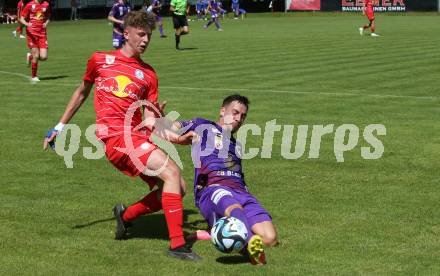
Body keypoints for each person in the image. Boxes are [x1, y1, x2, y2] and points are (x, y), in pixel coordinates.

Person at [43, 11, 202, 261]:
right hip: (116, 138)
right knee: (171, 173)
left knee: (177, 188)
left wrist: (177, 135)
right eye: (141, 34)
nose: (146, 40)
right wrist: (59, 127)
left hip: (137, 137)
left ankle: (125, 216)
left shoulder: (149, 74)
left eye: (148, 35)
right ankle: (177, 245)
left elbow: (150, 120)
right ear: (125, 33)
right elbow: (82, 92)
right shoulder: (99, 60)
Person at [176, 95, 278, 265]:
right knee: (231, 205)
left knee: (270, 239)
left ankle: (215, 231)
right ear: (223, 111)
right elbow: (175, 127)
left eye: (243, 116)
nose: (238, 119)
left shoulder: (236, 145)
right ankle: (249, 242)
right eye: (235, 113)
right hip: (212, 189)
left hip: (241, 192)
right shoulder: (203, 126)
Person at [20, 0, 51, 82]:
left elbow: (48, 16)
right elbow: (21, 18)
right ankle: (34, 76)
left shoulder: (46, 4)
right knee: (36, 55)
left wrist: (46, 23)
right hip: (31, 33)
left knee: (44, 57)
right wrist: (27, 24)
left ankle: (30, 56)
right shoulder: (30, 4)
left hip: (42, 34)